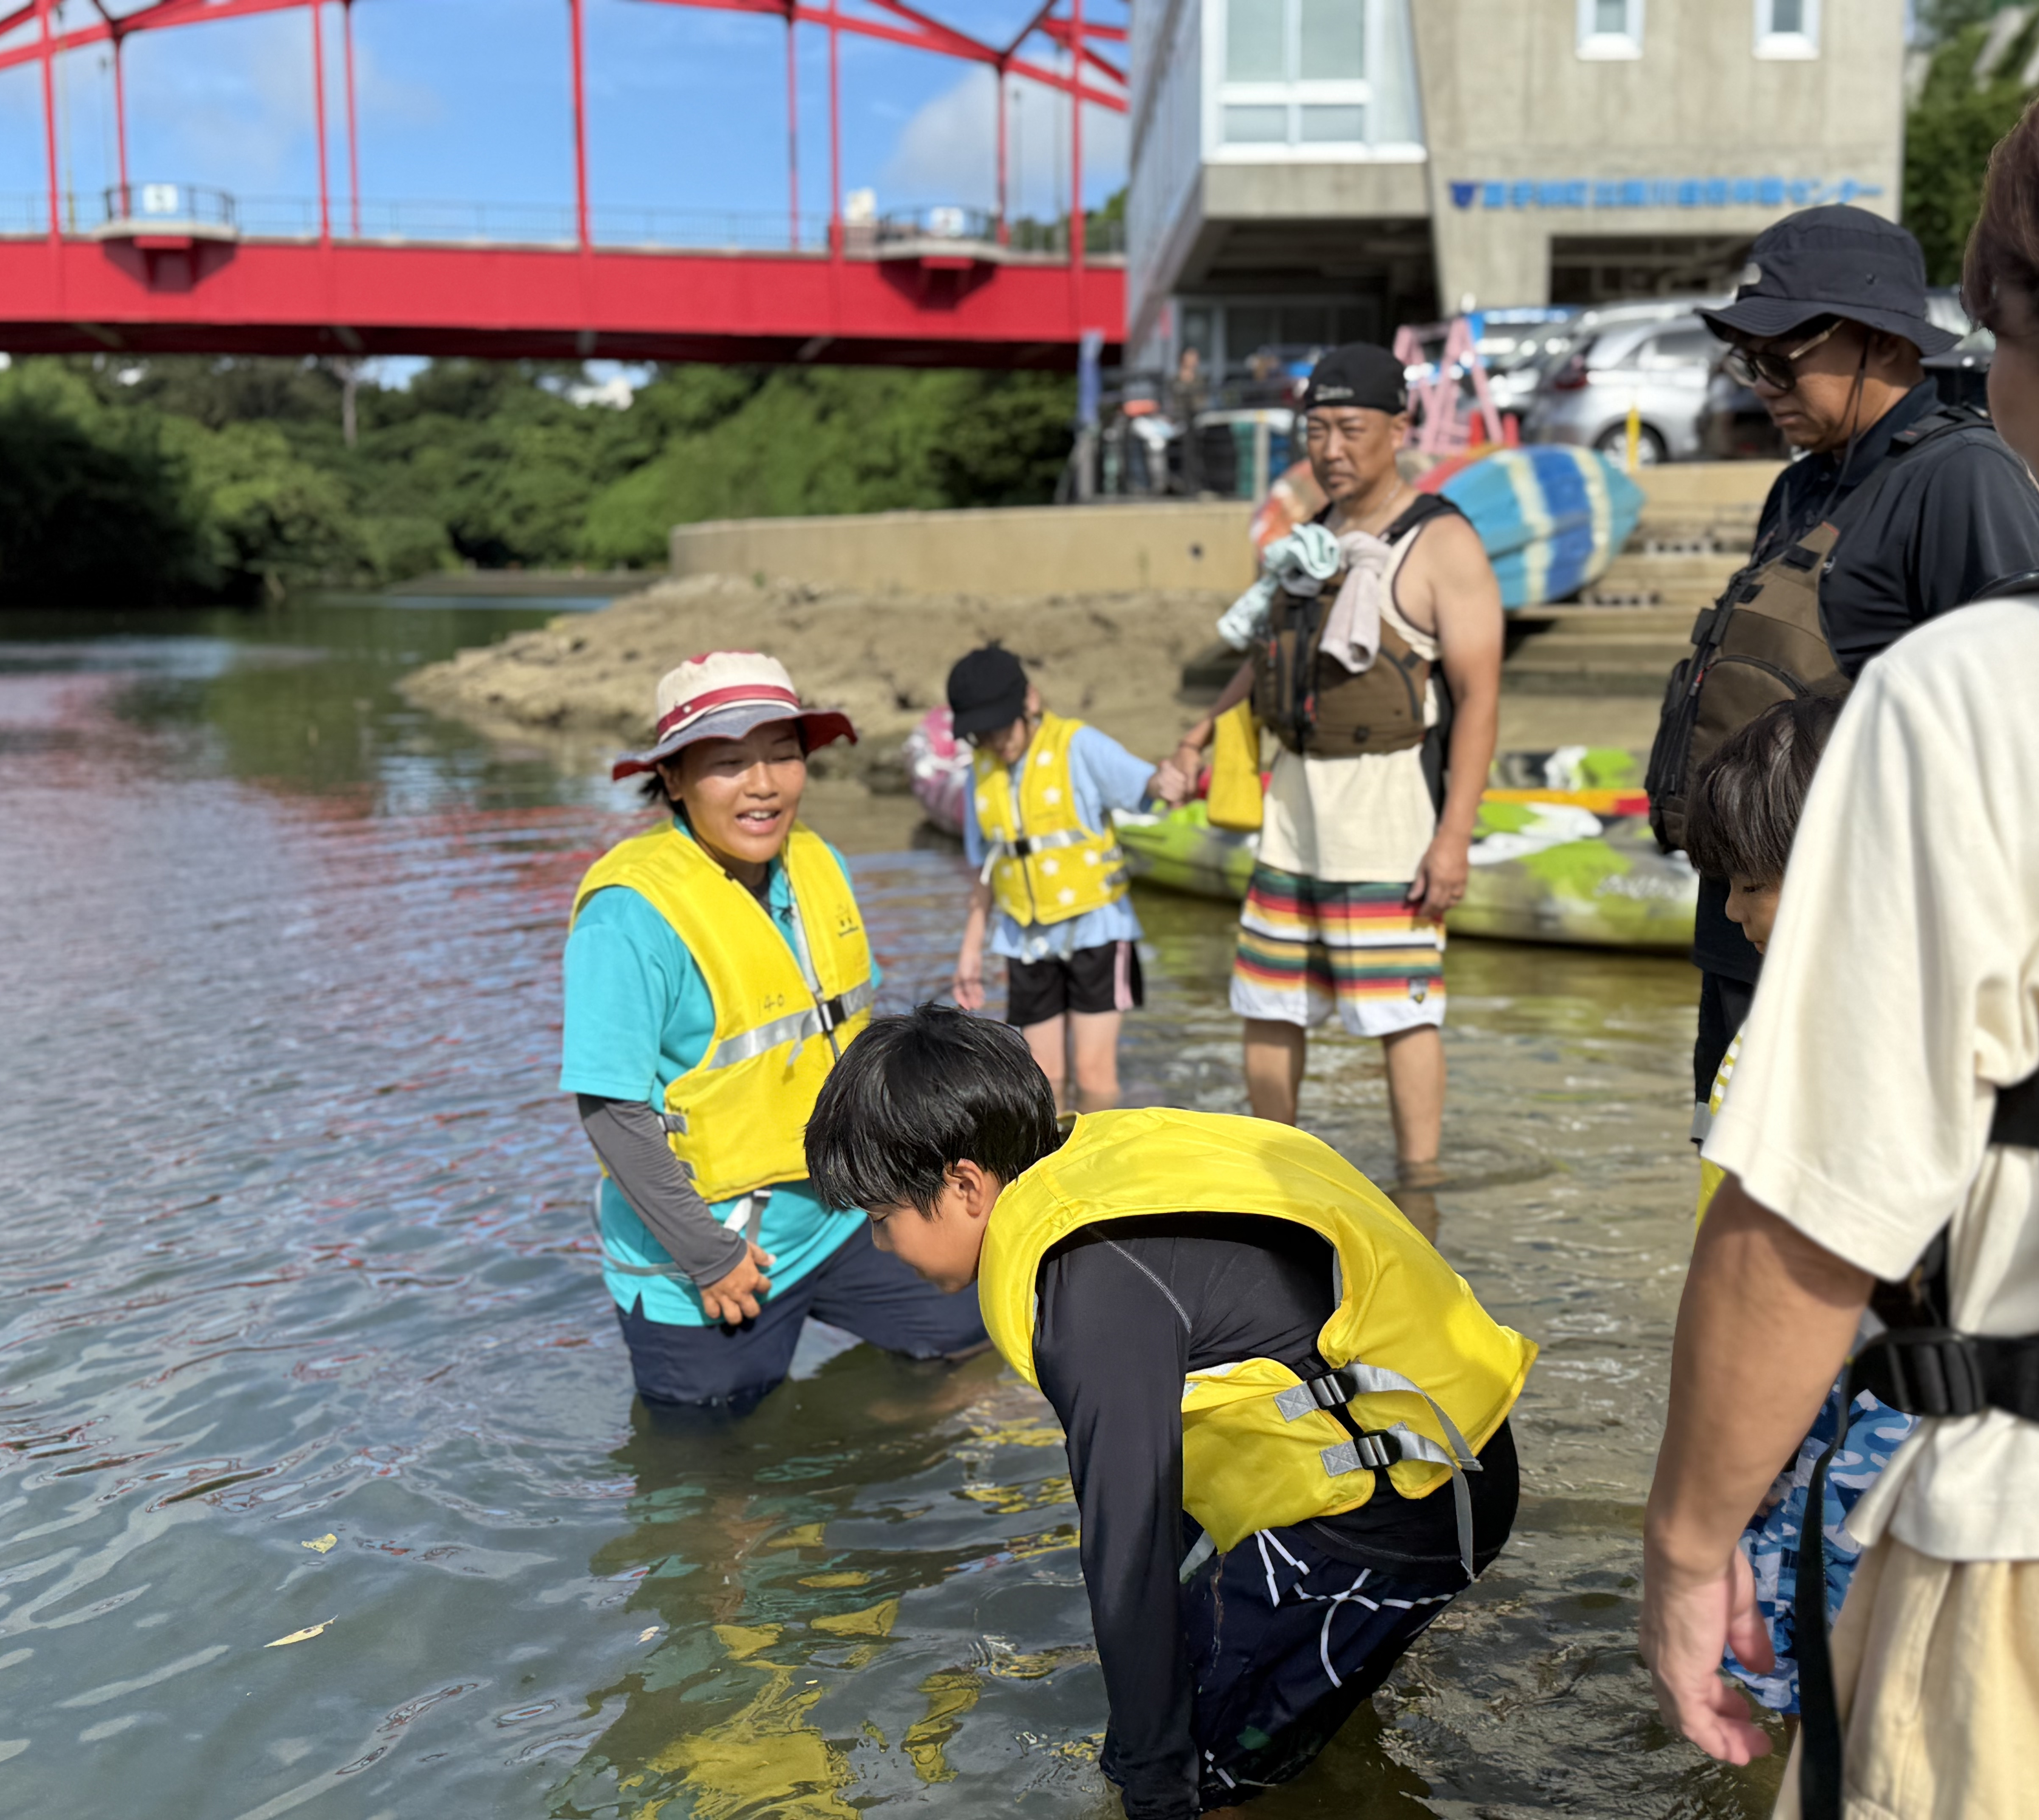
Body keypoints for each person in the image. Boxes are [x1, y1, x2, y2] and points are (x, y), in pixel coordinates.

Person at [1643, 12, 2039, 1814]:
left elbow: (1811, 1212)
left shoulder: (2001, 678)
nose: (1994, 386)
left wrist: (1688, 1541)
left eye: (2003, 336)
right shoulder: (1845, 515)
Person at [805, 1004, 1533, 1820]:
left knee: (1186, 1769)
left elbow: (1127, 1553)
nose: (877, 1245)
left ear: (966, 1183)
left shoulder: (1086, 1295)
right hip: (1453, 1449)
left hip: (1406, 1509)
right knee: (1187, 1704)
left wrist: (1157, 1793)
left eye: (880, 1219)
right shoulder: (1092, 1164)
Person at [1650, 204, 2039, 1121]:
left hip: (1852, 938)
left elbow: (2013, 729)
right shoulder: (1801, 486)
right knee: (1731, 1179)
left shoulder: (1963, 477)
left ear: (1876, 341)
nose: (1762, 383)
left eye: (1781, 357)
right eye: (1747, 361)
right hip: (1739, 924)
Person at [560, 650, 987, 1422]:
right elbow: (610, 1113)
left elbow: (862, 1036)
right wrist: (708, 1255)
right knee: (710, 1471)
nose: (764, 784)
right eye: (728, 762)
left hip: (845, 1214)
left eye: (784, 755)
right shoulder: (627, 916)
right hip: (713, 1254)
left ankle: (875, 1435)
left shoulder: (818, 863)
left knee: (971, 1334)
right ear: (676, 780)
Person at [1163, 342, 1505, 1190]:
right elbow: (1266, 651)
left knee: (1403, 1011)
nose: (1331, 449)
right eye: (1316, 430)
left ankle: (1418, 1188)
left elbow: (1481, 698)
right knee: (1267, 1001)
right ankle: (1275, 1176)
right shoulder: (1308, 541)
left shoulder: (1443, 542)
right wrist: (1200, 734)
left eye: (1351, 428)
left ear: (1398, 429)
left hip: (1387, 814)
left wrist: (1453, 840)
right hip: (1295, 809)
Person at [1681, 695, 1916, 1721]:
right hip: (1831, 1408)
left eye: (1750, 883)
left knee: (1805, 1671)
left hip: (1845, 1417)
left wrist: (1705, 1513)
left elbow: (1789, 1280)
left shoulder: (1842, 1045)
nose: (1734, 914)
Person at [947, 644, 1166, 1114]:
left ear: (1030, 700)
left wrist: (1168, 782)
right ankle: (1057, 1169)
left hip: (1097, 929)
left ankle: (1107, 1168)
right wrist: (971, 951)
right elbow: (987, 867)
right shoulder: (980, 774)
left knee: (1094, 1076)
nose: (995, 740)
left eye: (1001, 724)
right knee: (1044, 1079)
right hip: (1027, 938)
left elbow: (1144, 785)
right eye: (980, 732)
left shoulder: (1077, 745)